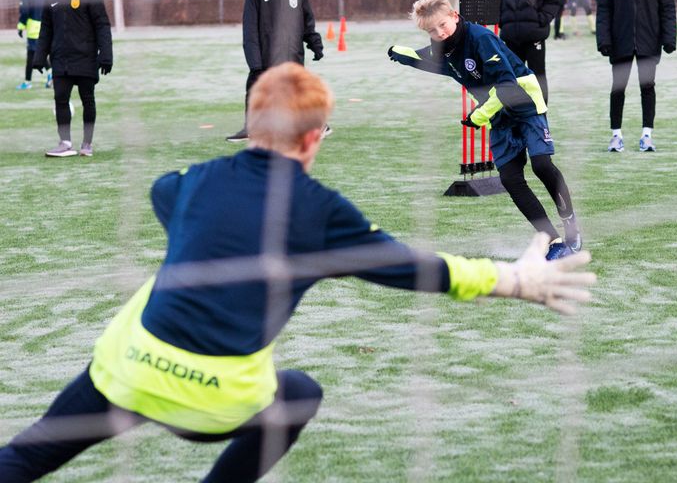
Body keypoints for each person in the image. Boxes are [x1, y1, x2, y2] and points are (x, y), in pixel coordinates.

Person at [0, 62, 595, 483]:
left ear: (252, 124)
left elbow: (163, 191)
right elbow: (416, 268)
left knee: (26, 456)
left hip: (128, 370)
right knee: (301, 392)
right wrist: (515, 280)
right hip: (218, 403)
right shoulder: (321, 213)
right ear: (314, 138)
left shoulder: (191, 183)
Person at [388, 0, 583, 258]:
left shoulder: (481, 38)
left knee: (541, 165)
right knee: (511, 179)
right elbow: (424, 58)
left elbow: (507, 86)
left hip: (523, 103)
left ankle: (570, 222)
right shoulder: (443, 48)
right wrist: (400, 53)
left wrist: (478, 116)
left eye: (443, 25)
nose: (440, 33)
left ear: (454, 16)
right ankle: (553, 242)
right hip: (498, 115)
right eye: (432, 31)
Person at [227, 0, 325, 143]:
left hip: (292, 53)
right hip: (267, 56)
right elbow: (250, 31)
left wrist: (314, 43)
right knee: (257, 89)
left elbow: (306, 20)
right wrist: (254, 62)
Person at [596, 0, 676, 154]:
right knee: (618, 88)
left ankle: (646, 136)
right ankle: (616, 136)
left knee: (647, 87)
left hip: (649, 40)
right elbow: (604, 7)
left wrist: (669, 38)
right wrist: (604, 39)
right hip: (619, 41)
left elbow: (667, 7)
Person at [33, 0, 113, 158]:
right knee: (60, 98)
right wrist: (39, 56)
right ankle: (65, 143)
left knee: (88, 100)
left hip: (85, 57)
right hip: (61, 59)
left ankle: (87, 143)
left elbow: (102, 25)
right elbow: (46, 30)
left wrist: (106, 55)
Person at [15, 0, 44, 90]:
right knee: (37, 52)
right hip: (43, 26)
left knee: (32, 54)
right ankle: (49, 76)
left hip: (33, 28)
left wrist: (20, 26)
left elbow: (25, 11)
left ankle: (27, 82)